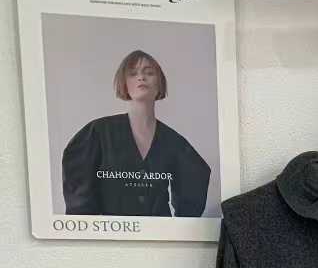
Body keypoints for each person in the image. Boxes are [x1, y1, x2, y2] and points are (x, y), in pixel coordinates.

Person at [61, 49, 211, 216]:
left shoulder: (174, 142)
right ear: (124, 83)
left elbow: (195, 179)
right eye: (133, 73)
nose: (141, 77)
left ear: (159, 83)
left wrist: (180, 226)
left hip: (159, 231)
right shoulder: (97, 133)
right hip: (113, 231)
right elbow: (79, 199)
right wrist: (95, 229)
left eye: (149, 73)